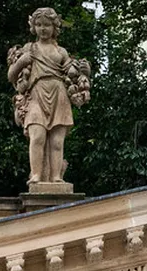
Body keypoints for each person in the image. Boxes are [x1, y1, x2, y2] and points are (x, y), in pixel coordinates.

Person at [7, 7, 91, 188]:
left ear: (54, 27)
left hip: (59, 95)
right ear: (33, 27)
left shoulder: (61, 52)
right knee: (37, 137)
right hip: (36, 94)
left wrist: (85, 70)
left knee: (57, 142)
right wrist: (22, 61)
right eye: (38, 25)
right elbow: (11, 75)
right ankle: (36, 175)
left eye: (46, 25)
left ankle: (56, 177)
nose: (42, 29)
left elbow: (74, 74)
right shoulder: (29, 48)